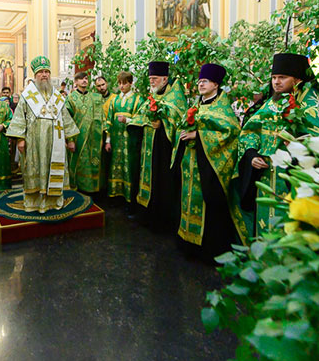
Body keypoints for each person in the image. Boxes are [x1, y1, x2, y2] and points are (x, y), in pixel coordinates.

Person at [234, 52, 319, 237]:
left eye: (282, 77)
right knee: (264, 223)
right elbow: (251, 131)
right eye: (273, 78)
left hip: (291, 177)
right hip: (265, 176)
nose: (276, 82)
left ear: (296, 80)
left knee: (288, 225)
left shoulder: (311, 103)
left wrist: (299, 145)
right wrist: (251, 154)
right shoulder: (270, 104)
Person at [174, 64, 245, 261]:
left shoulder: (223, 108)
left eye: (204, 81)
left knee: (208, 204)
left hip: (210, 168)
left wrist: (198, 135)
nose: (200, 84)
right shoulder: (196, 105)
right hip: (190, 163)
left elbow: (231, 133)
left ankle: (207, 250)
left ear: (215, 84)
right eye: (199, 81)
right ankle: (188, 242)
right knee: (188, 199)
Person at [6, 56, 79, 213]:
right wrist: (20, 139)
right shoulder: (27, 95)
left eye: (47, 72)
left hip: (56, 141)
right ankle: (35, 203)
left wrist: (70, 139)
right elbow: (20, 117)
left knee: (53, 169)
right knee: (35, 169)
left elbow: (65, 117)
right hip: (34, 141)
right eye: (41, 72)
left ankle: (54, 201)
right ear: (35, 75)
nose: (44, 75)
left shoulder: (58, 96)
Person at [130, 61, 187, 235]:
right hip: (149, 148)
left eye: (154, 79)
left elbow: (179, 118)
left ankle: (161, 220)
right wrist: (147, 122)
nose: (152, 82)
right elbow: (140, 114)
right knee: (147, 179)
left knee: (161, 182)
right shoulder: (153, 96)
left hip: (164, 150)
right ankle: (145, 215)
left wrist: (162, 122)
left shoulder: (176, 97)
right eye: (150, 79)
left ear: (164, 78)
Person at [104, 71, 144, 208]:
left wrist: (127, 120)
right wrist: (108, 141)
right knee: (115, 166)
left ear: (131, 83)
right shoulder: (114, 100)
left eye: (124, 83)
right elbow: (109, 120)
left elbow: (141, 119)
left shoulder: (138, 100)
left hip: (129, 142)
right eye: (119, 83)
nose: (121, 86)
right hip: (115, 140)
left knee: (129, 168)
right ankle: (115, 196)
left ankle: (129, 199)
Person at [66, 72, 108, 194]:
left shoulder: (95, 97)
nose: (84, 81)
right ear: (75, 82)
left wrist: (106, 137)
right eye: (80, 79)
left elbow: (101, 118)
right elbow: (67, 119)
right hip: (77, 138)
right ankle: (77, 190)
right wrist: (70, 140)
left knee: (92, 163)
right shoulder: (70, 98)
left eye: (85, 78)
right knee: (78, 164)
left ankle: (92, 190)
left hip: (94, 139)